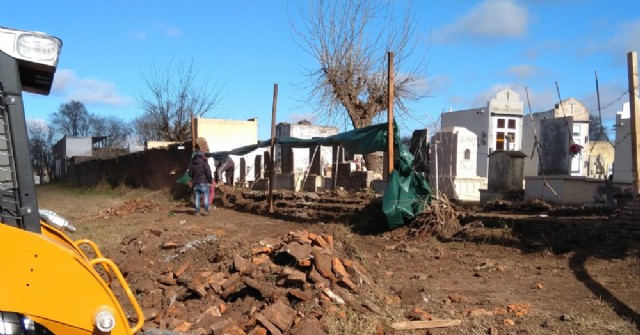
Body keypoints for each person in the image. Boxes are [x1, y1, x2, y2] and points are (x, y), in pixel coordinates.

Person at [188, 144, 213, 215]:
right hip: (204, 182)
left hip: (196, 183)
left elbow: (190, 174)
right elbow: (208, 172)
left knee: (197, 197)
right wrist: (210, 181)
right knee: (206, 196)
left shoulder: (192, 163)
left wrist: (194, 177)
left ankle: (197, 211)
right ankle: (206, 211)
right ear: (202, 155)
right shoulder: (204, 161)